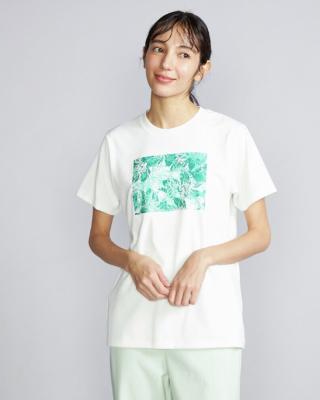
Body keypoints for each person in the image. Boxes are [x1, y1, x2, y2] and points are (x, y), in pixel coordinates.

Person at [76, 10, 277, 400]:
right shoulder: (119, 142)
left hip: (209, 329)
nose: (167, 63)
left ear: (202, 69)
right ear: (144, 56)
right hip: (134, 329)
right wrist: (131, 260)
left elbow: (260, 235)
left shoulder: (230, 136)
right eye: (158, 49)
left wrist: (202, 258)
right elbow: (98, 238)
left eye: (184, 54)